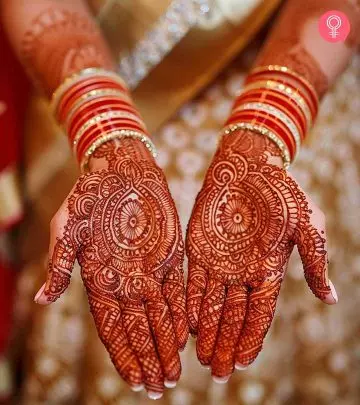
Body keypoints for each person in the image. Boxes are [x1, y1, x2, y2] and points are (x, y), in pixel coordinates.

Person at [1, 0, 359, 403]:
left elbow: (339, 14)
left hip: (306, 71)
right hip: (89, 77)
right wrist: (105, 129)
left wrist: (270, 122)